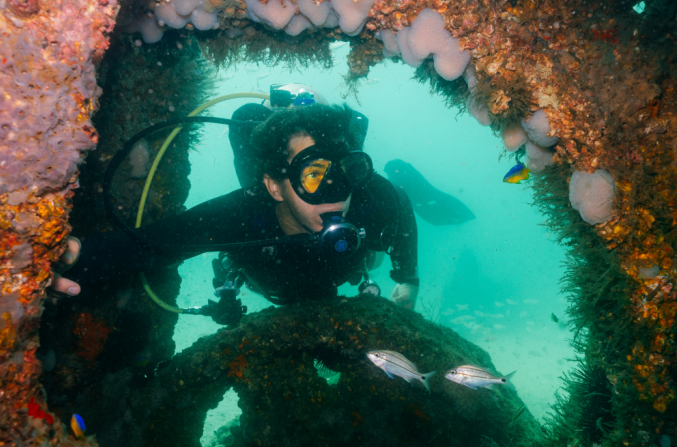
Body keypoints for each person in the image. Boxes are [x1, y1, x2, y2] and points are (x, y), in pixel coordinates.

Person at [56, 101, 419, 314]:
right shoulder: (242, 217)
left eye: (346, 172)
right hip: (267, 272)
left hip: (338, 274)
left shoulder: (372, 198)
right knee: (247, 120)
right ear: (275, 187)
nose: (337, 193)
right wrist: (76, 256)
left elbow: (402, 210)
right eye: (313, 175)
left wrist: (408, 278)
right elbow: (154, 244)